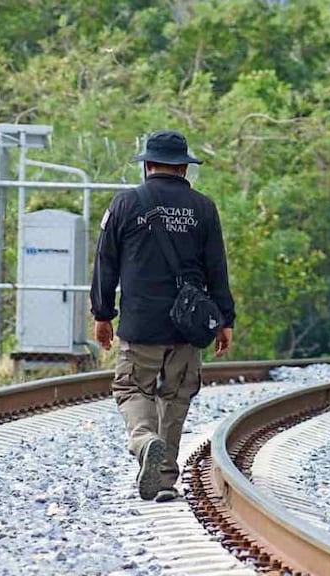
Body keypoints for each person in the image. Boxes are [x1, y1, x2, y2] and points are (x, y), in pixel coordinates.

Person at [90, 130, 236, 502]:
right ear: (184, 167)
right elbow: (217, 268)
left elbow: (105, 263)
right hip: (188, 325)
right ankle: (165, 479)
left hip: (140, 324)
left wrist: (103, 314)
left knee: (132, 388)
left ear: (147, 165)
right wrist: (225, 319)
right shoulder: (203, 208)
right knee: (176, 396)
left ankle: (144, 441)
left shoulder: (126, 203)